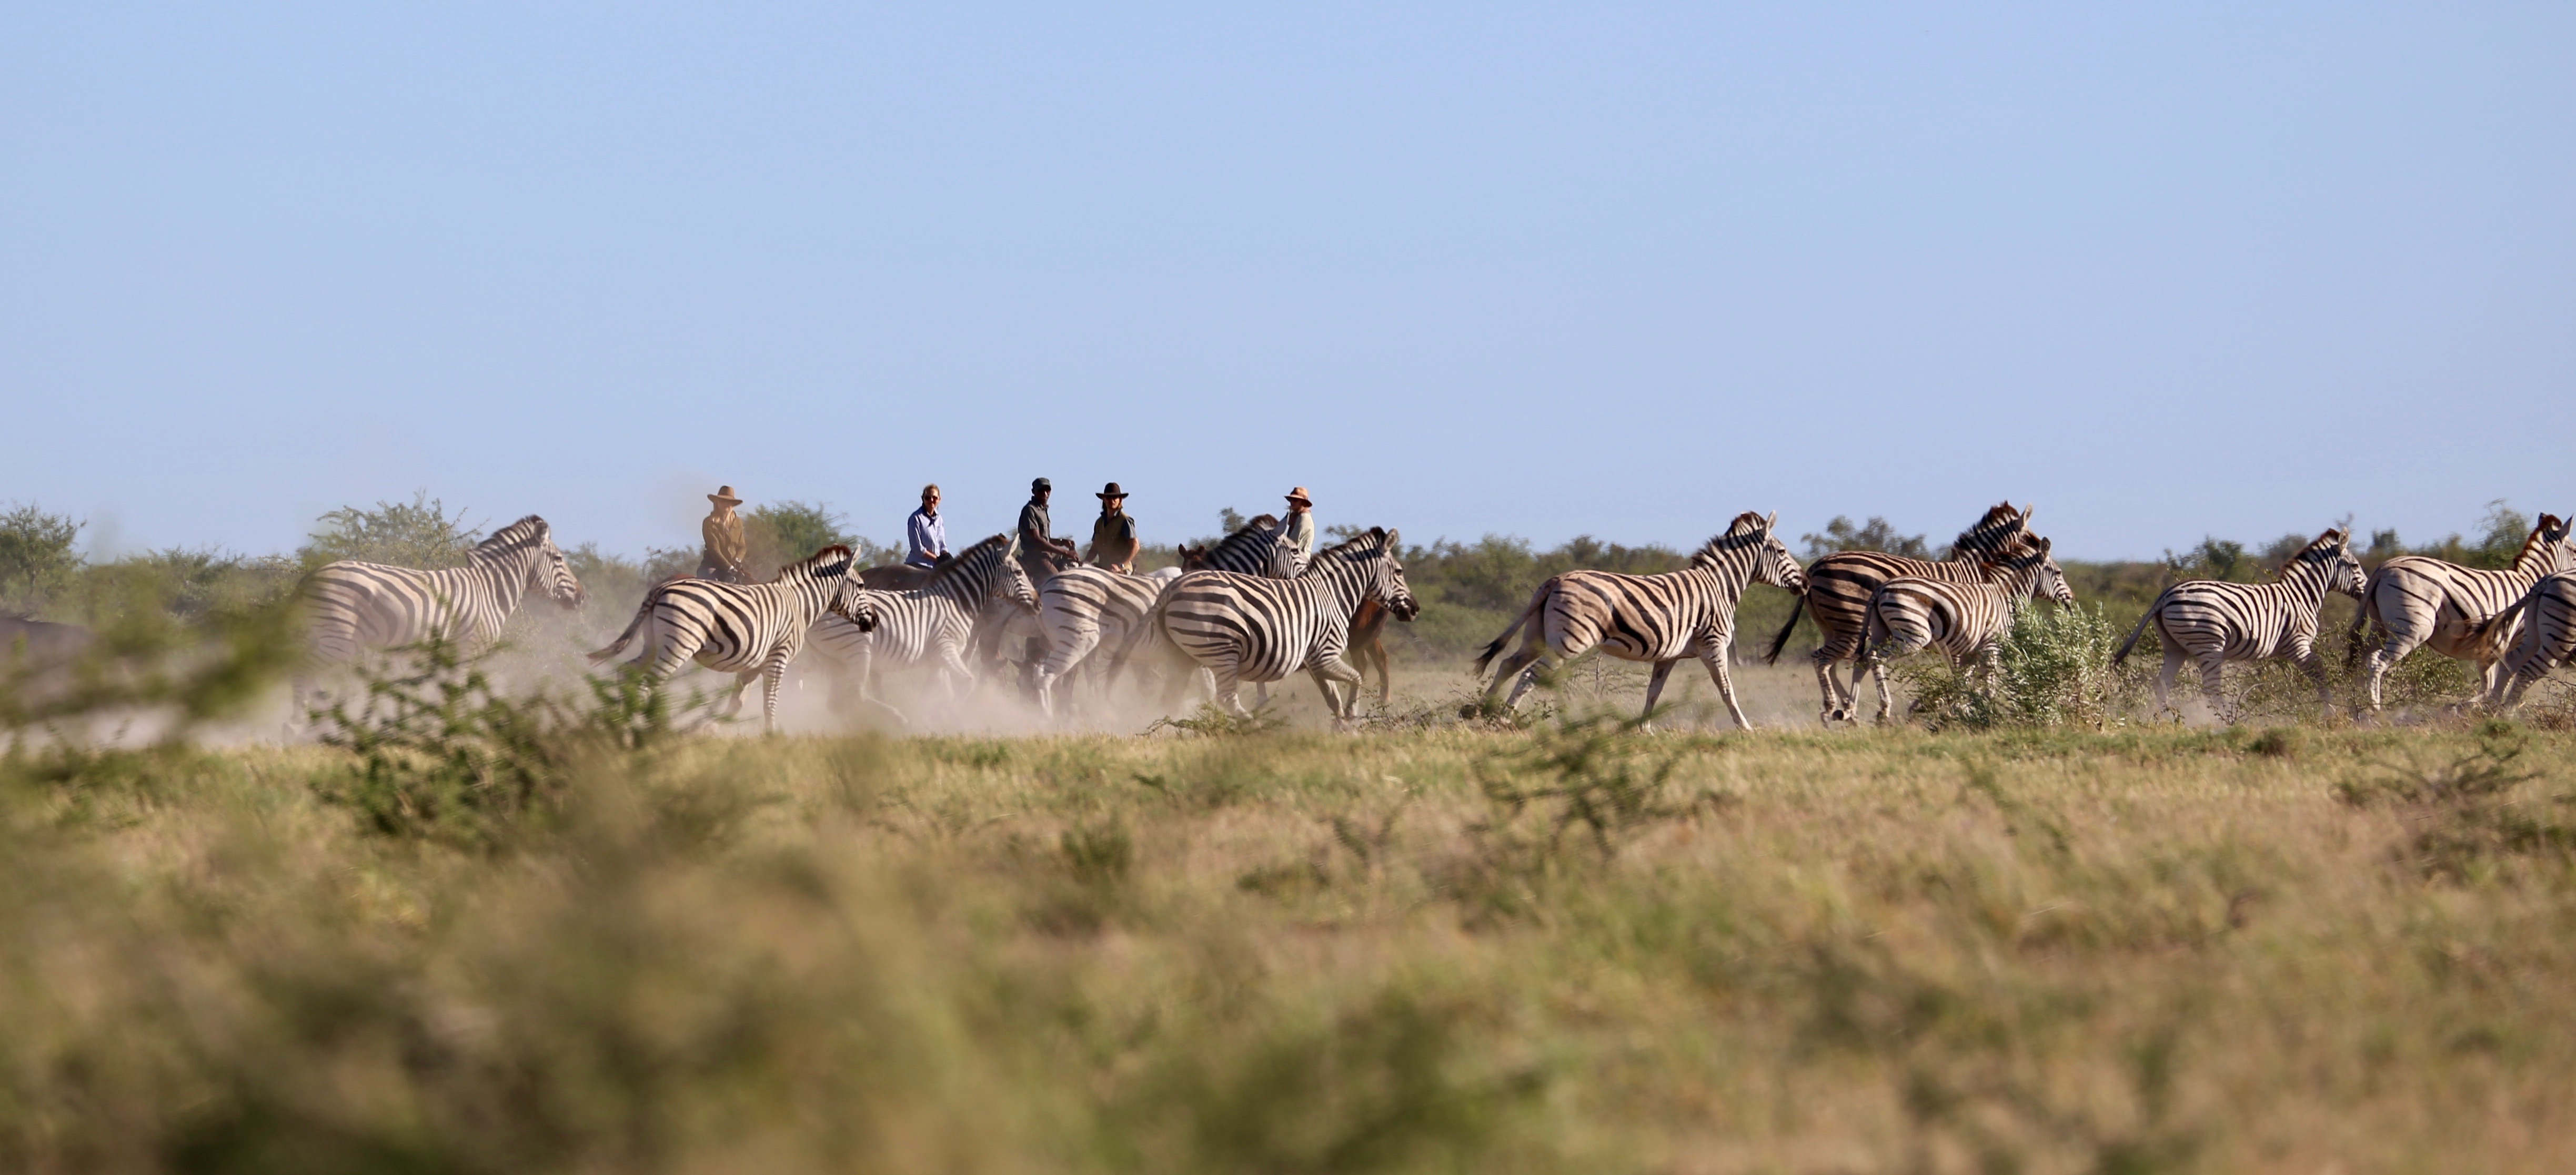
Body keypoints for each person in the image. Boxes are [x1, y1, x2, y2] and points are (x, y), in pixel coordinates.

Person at [1017, 478, 1081, 580]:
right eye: (1041, 491)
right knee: (1059, 581)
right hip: (1036, 557)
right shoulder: (1030, 510)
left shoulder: (1043, 510)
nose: (1045, 493)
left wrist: (1061, 542)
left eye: (1048, 490)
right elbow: (1037, 540)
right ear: (1034, 492)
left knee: (1073, 566)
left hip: (1047, 554)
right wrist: (1065, 552)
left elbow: (1045, 539)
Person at [698, 485, 750, 582]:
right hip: (713, 566)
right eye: (722, 501)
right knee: (711, 581)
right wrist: (729, 567)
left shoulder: (738, 522)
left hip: (734, 568)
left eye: (729, 502)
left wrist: (738, 559)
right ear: (717, 503)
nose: (726, 505)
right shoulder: (709, 522)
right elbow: (714, 549)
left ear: (733, 505)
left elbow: (742, 547)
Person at [1086, 482, 1140, 572]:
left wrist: (1121, 565)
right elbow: (1094, 549)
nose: (1112, 500)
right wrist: (1084, 562)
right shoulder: (1099, 522)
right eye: (1108, 497)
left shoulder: (1125, 521)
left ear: (1120, 500)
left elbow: (1135, 546)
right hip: (1103, 569)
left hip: (1121, 571)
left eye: (1115, 497)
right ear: (1104, 499)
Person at [904, 483, 948, 568]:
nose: (931, 500)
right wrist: (938, 559)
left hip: (935, 567)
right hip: (917, 565)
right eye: (928, 498)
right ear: (923, 499)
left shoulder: (939, 519)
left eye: (935, 498)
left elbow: (942, 544)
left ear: (939, 499)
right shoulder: (915, 518)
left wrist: (946, 556)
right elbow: (917, 548)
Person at [1280, 486, 1316, 561]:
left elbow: (1292, 542)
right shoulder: (1297, 517)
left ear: (1303, 502)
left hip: (1300, 562)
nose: (1292, 502)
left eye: (1295, 500)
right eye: (1291, 500)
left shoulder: (1304, 518)